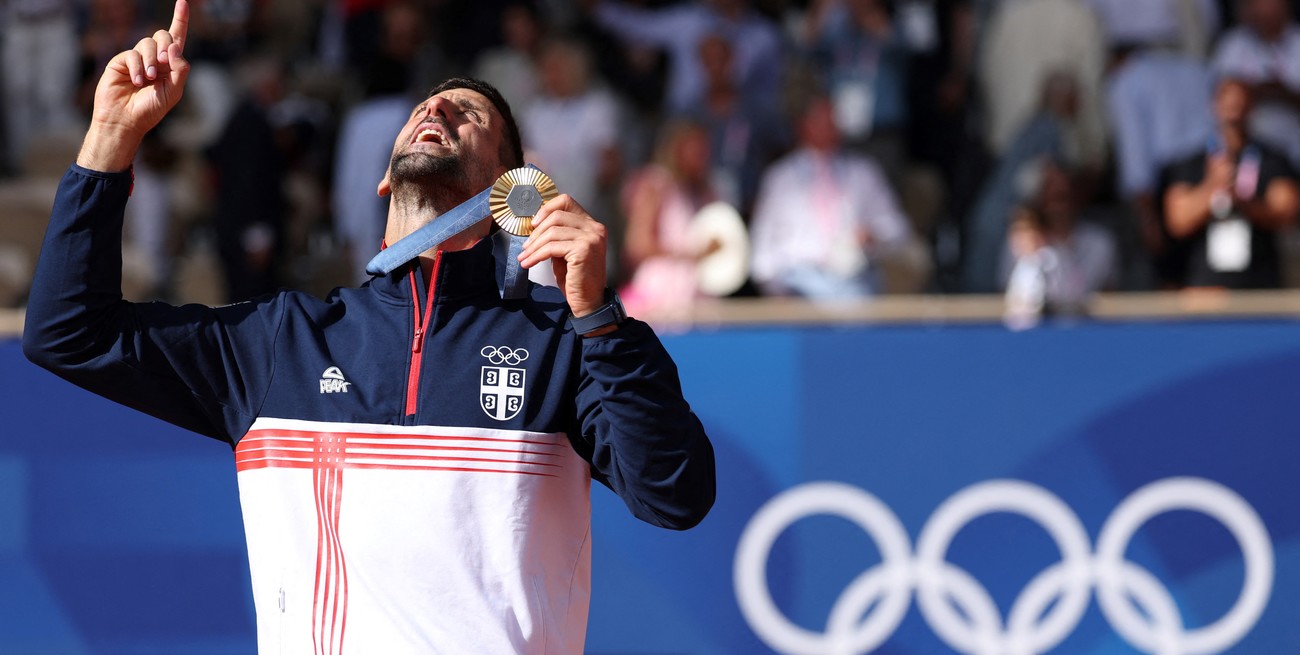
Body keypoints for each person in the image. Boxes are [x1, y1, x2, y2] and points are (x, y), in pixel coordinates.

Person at [21, 3, 716, 653]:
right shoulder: (282, 342)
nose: (436, 107)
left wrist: (597, 317)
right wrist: (110, 138)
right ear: (385, 177)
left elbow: (675, 495)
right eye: (421, 109)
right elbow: (68, 332)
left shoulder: (564, 344)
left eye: (467, 112)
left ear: (513, 190)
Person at [749, 95, 917, 299]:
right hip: (797, 285)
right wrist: (779, 294)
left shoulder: (863, 172)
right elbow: (761, 255)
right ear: (802, 126)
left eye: (833, 120)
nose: (829, 126)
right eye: (820, 120)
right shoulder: (780, 178)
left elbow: (898, 229)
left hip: (856, 283)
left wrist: (872, 235)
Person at [1164, 76, 1300, 289]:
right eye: (1227, 103)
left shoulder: (1272, 159)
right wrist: (1213, 188)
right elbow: (1177, 220)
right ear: (1214, 106)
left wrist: (1245, 202)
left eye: (1240, 103)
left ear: (1252, 107)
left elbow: (1287, 211)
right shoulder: (1193, 162)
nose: (1233, 111)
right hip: (1206, 283)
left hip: (1261, 280)